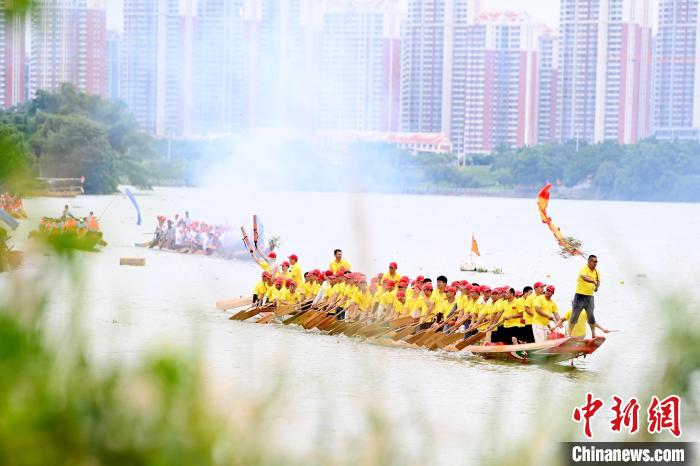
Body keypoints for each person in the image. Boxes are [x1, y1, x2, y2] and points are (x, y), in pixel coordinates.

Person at [569, 254, 601, 338]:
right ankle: (569, 334)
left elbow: (598, 281)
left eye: (596, 262)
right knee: (575, 315)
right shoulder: (584, 269)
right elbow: (584, 278)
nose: (595, 263)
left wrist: (597, 287)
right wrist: (593, 281)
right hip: (580, 295)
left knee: (591, 316)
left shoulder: (597, 271)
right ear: (589, 261)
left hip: (590, 296)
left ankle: (593, 334)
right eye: (594, 261)